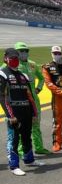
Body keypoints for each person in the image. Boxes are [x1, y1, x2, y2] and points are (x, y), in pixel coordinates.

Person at [1, 48, 44, 176]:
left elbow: (29, 95)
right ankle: (14, 165)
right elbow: (2, 97)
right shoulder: (2, 74)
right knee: (13, 139)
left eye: (16, 57)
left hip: (26, 111)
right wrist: (10, 115)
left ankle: (29, 159)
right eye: (12, 58)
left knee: (26, 137)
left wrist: (34, 113)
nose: (14, 60)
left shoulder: (23, 75)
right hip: (13, 113)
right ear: (6, 58)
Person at [9, 42, 51, 154]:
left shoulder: (32, 64)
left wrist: (38, 89)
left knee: (36, 124)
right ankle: (22, 150)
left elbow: (42, 78)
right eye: (21, 51)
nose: (24, 53)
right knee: (22, 127)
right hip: (21, 101)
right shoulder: (14, 67)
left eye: (26, 51)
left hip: (34, 101)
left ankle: (39, 147)